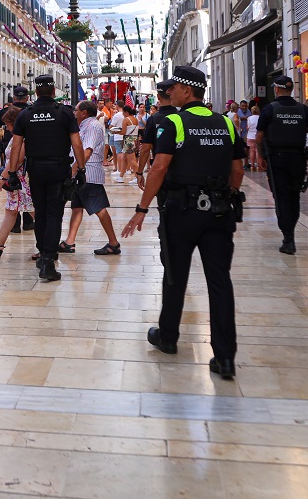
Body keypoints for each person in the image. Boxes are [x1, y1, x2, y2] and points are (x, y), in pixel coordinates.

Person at [122, 65, 245, 380]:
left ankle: (168, 337)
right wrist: (225, 196)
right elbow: (238, 170)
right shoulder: (225, 123)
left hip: (182, 212)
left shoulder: (175, 122)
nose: (170, 92)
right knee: (220, 282)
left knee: (175, 276)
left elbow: (160, 168)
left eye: (174, 88)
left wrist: (142, 208)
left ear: (187, 91)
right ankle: (225, 357)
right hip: (219, 213)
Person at [6, 74, 86, 283]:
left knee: (40, 212)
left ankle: (43, 254)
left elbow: (16, 146)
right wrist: (82, 169)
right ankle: (49, 260)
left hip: (36, 169)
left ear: (36, 92)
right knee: (54, 213)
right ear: (53, 91)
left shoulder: (26, 114)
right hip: (58, 168)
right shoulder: (65, 113)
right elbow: (77, 144)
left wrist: (13, 173)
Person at [60, 101, 121, 255]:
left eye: (76, 110)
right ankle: (69, 242)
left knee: (99, 209)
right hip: (83, 174)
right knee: (77, 208)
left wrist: (74, 172)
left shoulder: (92, 126)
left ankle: (113, 243)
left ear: (84, 112)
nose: (74, 113)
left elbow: (86, 152)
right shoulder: (84, 126)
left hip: (88, 174)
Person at [257, 75, 308, 254]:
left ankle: (288, 238)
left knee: (281, 198)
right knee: (294, 197)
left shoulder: (270, 109)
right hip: (298, 159)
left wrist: (260, 156)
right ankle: (290, 234)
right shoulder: (303, 109)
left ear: (276, 89)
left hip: (276, 159)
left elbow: (260, 136)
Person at [0, 106, 33, 257]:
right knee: (11, 210)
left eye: (8, 124)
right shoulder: (18, 136)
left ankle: (48, 244)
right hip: (17, 179)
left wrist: (3, 177)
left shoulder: (22, 137)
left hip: (21, 179)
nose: (7, 128)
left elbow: (17, 159)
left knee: (33, 210)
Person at [245, 105, 260, 170]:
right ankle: (258, 166)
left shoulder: (249, 118)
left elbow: (247, 127)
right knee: (257, 151)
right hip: (258, 136)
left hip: (250, 136)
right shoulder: (260, 117)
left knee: (251, 151)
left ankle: (252, 166)